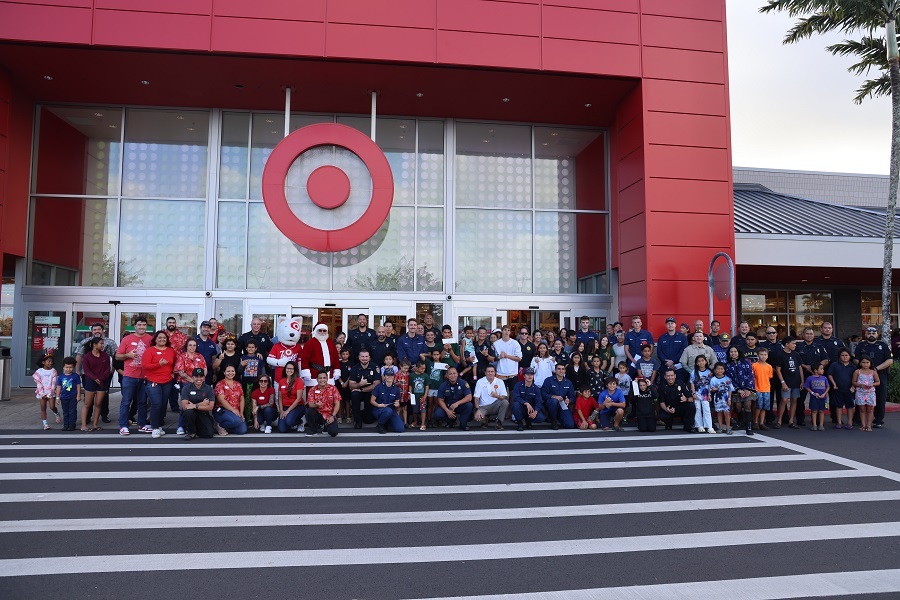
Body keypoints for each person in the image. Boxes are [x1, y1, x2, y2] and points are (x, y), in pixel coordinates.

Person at [116, 316, 153, 436]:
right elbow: (117, 356)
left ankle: (142, 424)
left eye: (144, 325)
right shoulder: (127, 339)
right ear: (135, 326)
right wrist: (128, 355)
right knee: (126, 401)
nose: (142, 327)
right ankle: (123, 426)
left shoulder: (150, 339)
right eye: (139, 325)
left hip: (144, 376)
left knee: (142, 402)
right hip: (129, 376)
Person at [74, 322, 117, 423]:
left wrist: (112, 371)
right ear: (91, 331)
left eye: (99, 329)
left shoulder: (110, 342)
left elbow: (115, 356)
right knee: (88, 397)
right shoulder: (86, 342)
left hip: (104, 374)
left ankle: (104, 415)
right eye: (94, 330)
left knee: (104, 396)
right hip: (88, 373)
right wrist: (77, 370)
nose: (97, 331)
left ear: (103, 330)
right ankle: (88, 417)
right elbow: (79, 356)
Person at [855, 325, 893, 428]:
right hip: (863, 375)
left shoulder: (883, 345)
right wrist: (864, 369)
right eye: (869, 333)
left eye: (873, 333)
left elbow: (889, 360)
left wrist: (875, 369)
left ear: (877, 334)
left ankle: (878, 420)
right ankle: (859, 419)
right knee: (861, 396)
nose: (871, 335)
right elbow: (856, 359)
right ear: (866, 334)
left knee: (880, 397)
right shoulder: (861, 345)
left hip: (880, 374)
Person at [142, 330, 176, 439]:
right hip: (153, 381)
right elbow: (145, 366)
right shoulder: (149, 351)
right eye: (160, 338)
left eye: (164, 338)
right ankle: (154, 427)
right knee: (156, 404)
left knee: (163, 404)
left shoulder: (171, 351)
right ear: (155, 339)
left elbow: (174, 364)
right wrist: (158, 364)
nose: (162, 340)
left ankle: (159, 424)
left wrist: (173, 373)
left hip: (167, 382)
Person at [795, 327, 827, 428]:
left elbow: (826, 360)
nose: (809, 335)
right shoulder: (798, 347)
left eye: (811, 334)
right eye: (807, 334)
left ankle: (818, 420)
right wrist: (806, 367)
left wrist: (816, 368)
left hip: (817, 377)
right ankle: (800, 419)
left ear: (814, 335)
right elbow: (795, 360)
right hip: (803, 375)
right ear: (803, 335)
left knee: (818, 397)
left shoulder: (819, 347)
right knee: (801, 399)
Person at [80, 337, 111, 432]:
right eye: (101, 343)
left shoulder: (105, 356)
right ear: (94, 344)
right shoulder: (87, 356)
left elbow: (107, 369)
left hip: (102, 382)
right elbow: (86, 370)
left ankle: (95, 424)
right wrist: (95, 378)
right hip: (90, 381)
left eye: (103, 344)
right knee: (87, 404)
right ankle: (84, 425)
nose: (102, 345)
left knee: (98, 404)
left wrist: (101, 378)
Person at [725, 345, 756, 434]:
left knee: (747, 406)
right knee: (738, 407)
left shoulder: (746, 362)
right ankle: (741, 421)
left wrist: (747, 389)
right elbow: (729, 379)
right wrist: (738, 390)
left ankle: (749, 427)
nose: (733, 353)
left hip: (747, 388)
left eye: (735, 351)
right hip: (736, 389)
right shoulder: (727, 365)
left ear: (738, 352)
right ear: (729, 354)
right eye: (731, 352)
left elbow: (750, 375)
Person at [775, 337, 804, 429]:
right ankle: (779, 420)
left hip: (796, 381)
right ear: (787, 344)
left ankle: (791, 421)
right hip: (786, 381)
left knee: (794, 400)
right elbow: (778, 370)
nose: (795, 345)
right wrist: (783, 382)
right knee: (784, 400)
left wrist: (802, 381)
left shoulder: (796, 354)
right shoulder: (780, 355)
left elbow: (800, 367)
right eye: (793, 343)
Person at [180, 368, 216, 439]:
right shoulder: (186, 389)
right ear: (193, 377)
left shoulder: (209, 389)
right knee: (188, 412)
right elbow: (185, 407)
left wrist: (194, 405)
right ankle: (191, 432)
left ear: (204, 377)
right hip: (191, 413)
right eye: (196, 377)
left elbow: (210, 407)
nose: (199, 379)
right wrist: (203, 404)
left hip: (203, 413)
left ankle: (197, 429)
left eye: (201, 376)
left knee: (209, 434)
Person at [348, 350, 380, 428]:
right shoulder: (355, 368)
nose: (364, 358)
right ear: (359, 357)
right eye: (362, 356)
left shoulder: (375, 367)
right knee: (354, 395)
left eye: (366, 356)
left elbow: (377, 384)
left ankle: (364, 414)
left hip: (370, 392)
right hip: (358, 392)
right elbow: (351, 385)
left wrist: (362, 389)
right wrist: (360, 384)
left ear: (369, 357)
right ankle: (357, 420)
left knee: (368, 421)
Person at [827, 349, 857, 430]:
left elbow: (857, 378)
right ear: (839, 357)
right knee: (838, 406)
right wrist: (834, 384)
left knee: (850, 407)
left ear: (849, 356)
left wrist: (853, 387)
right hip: (838, 389)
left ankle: (850, 422)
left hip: (849, 390)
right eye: (842, 355)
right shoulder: (835, 365)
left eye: (846, 355)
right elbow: (830, 374)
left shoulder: (853, 367)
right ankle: (839, 422)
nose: (844, 357)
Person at [472, 366, 510, 430]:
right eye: (488, 372)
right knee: (477, 417)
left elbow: (504, 396)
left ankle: (499, 422)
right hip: (483, 406)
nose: (490, 373)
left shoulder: (500, 381)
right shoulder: (480, 381)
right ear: (485, 373)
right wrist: (478, 409)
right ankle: (485, 420)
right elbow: (476, 397)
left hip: (495, 405)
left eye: (492, 371)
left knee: (505, 402)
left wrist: (497, 396)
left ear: (495, 373)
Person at [370, 368, 405, 434]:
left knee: (400, 429)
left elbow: (397, 402)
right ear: (384, 376)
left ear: (394, 377)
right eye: (387, 375)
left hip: (391, 410)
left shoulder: (396, 389)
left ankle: (387, 423)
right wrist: (378, 405)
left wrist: (397, 404)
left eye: (391, 375)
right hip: (379, 409)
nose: (390, 377)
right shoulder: (378, 387)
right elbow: (372, 401)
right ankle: (380, 425)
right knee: (387, 411)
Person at [214, 365, 248, 435]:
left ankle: (226, 428)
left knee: (242, 430)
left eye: (232, 371)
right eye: (228, 371)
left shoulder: (238, 384)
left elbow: (242, 399)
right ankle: (219, 425)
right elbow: (221, 400)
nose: (230, 373)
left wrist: (241, 413)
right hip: (223, 410)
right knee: (237, 421)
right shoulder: (220, 384)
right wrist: (232, 409)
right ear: (224, 373)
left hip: (236, 412)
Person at [306, 371, 341, 436]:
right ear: (317, 379)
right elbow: (310, 404)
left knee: (333, 433)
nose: (322, 380)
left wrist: (332, 416)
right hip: (318, 414)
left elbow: (337, 403)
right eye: (320, 378)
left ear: (327, 379)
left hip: (329, 415)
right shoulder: (312, 389)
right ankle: (313, 429)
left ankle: (326, 426)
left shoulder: (333, 388)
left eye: (324, 378)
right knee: (309, 411)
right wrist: (316, 405)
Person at [541, 363, 576, 430]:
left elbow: (572, 397)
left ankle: (559, 417)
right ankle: (553, 420)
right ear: (555, 370)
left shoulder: (568, 382)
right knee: (554, 401)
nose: (561, 371)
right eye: (559, 369)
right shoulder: (548, 380)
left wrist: (569, 400)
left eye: (563, 369)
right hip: (550, 403)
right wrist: (553, 396)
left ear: (565, 371)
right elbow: (543, 394)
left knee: (570, 425)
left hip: (562, 405)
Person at [493, 325, 522, 396]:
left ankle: (512, 407)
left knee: (513, 393)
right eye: (505, 330)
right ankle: (504, 407)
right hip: (501, 372)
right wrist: (499, 357)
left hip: (513, 372)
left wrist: (507, 356)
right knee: (502, 394)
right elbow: (494, 358)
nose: (507, 332)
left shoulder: (515, 343)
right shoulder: (496, 343)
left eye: (508, 330)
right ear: (502, 331)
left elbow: (519, 358)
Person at [657, 317, 688, 382]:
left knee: (679, 386)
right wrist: (667, 362)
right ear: (666, 325)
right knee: (664, 387)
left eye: (672, 323)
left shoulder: (682, 337)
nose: (670, 325)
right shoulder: (661, 338)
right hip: (665, 366)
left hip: (678, 366)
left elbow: (683, 351)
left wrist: (673, 361)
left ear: (675, 325)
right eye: (668, 323)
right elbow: (659, 352)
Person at [277, 362, 305, 433]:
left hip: (297, 407)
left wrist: (287, 411)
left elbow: (298, 399)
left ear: (295, 370)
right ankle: (290, 421)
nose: (289, 370)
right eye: (287, 368)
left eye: (291, 369)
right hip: (285, 407)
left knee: (290, 421)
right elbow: (280, 397)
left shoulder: (299, 381)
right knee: (282, 429)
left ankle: (300, 422)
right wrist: (281, 410)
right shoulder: (281, 381)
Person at [852, 355, 879, 432]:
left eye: (867, 362)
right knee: (862, 409)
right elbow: (853, 382)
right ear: (860, 363)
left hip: (870, 393)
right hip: (860, 392)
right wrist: (860, 385)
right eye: (863, 362)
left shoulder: (873, 372)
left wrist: (872, 384)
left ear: (870, 363)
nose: (865, 364)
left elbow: (878, 382)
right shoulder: (857, 372)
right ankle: (863, 425)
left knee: (870, 409)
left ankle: (869, 425)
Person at [690, 355, 715, 434]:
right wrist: (693, 393)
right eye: (699, 361)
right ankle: (699, 425)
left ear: (706, 361)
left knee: (706, 409)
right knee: (697, 409)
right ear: (696, 363)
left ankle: (709, 426)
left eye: (702, 360)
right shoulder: (694, 372)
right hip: (697, 393)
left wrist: (710, 394)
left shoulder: (709, 372)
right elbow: (692, 383)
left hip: (706, 393)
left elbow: (710, 384)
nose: (701, 362)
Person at [55, 356, 81, 431]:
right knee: (65, 411)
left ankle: (72, 424)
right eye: (66, 367)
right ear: (63, 367)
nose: (68, 369)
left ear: (73, 367)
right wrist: (57, 397)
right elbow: (59, 387)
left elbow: (78, 385)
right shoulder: (61, 377)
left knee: (72, 411)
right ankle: (66, 425)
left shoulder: (75, 376)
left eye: (70, 367)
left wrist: (78, 395)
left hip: (73, 397)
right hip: (64, 397)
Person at [751, 348, 774, 431]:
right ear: (758, 355)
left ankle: (761, 422)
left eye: (765, 355)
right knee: (758, 406)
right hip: (758, 389)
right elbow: (752, 377)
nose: (763, 356)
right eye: (761, 354)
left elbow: (769, 377)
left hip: (767, 389)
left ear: (767, 356)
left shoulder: (769, 366)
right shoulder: (754, 365)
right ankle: (755, 422)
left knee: (764, 407)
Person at [709, 362, 734, 434]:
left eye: (721, 369)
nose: (720, 371)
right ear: (715, 370)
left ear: (724, 370)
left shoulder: (727, 379)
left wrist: (729, 399)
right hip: (717, 399)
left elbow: (730, 389)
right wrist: (714, 389)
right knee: (719, 412)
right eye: (718, 369)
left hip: (725, 398)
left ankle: (728, 428)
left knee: (727, 413)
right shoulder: (713, 379)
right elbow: (711, 389)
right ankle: (720, 427)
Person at [804, 362, 830, 431]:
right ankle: (814, 425)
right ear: (815, 370)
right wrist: (813, 393)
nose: (823, 370)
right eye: (821, 369)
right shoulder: (810, 378)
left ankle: (821, 424)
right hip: (814, 398)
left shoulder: (824, 378)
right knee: (814, 411)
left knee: (822, 411)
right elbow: (807, 387)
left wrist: (824, 394)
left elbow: (828, 387)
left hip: (823, 397)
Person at [194, 321, 218, 385]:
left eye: (208, 328)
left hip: (208, 373)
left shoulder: (212, 343)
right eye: (204, 327)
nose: (206, 329)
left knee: (205, 393)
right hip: (194, 372)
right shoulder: (193, 340)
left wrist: (214, 373)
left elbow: (213, 359)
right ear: (200, 328)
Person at [409, 359, 428, 431]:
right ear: (417, 368)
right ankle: (415, 421)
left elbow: (427, 386)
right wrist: (410, 394)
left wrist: (425, 396)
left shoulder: (425, 376)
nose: (423, 370)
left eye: (424, 368)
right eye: (422, 368)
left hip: (422, 396)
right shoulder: (412, 375)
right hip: (414, 396)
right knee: (415, 410)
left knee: (423, 409)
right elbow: (410, 385)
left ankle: (423, 423)